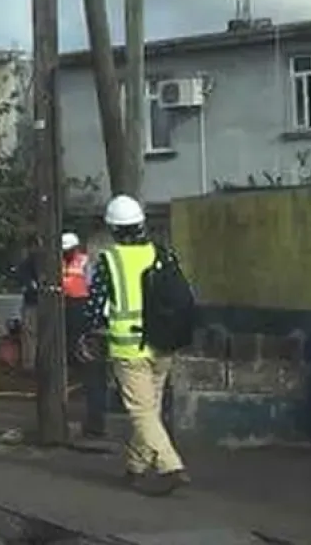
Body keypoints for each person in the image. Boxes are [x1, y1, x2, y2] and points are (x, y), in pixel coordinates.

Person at [86, 195, 188, 495]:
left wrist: (92, 334)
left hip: (129, 349)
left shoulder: (109, 261)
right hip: (164, 345)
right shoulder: (162, 253)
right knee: (150, 409)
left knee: (141, 412)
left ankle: (170, 465)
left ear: (113, 228)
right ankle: (135, 466)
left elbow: (95, 308)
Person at [14, 233, 41, 371]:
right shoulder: (37, 263)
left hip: (34, 303)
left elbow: (27, 284)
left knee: (31, 334)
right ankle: (32, 364)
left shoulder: (29, 263)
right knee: (33, 334)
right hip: (37, 303)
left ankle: (30, 364)